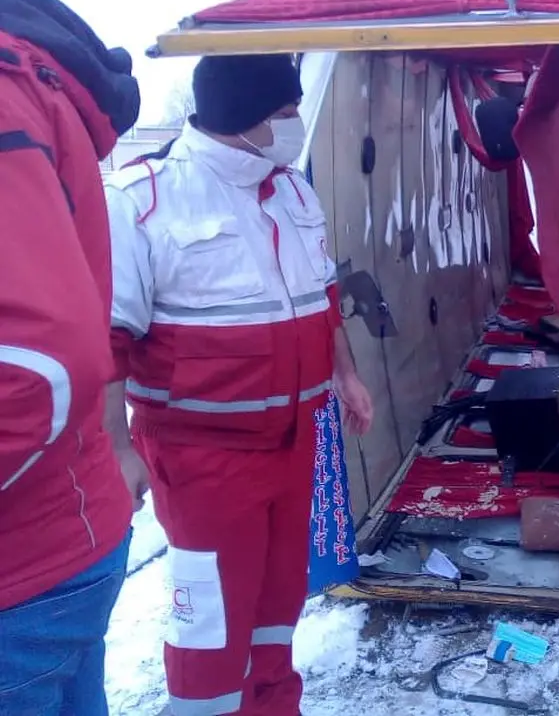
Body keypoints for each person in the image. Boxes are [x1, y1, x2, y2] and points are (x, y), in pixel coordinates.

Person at [103, 54, 374, 716]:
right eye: (284, 114)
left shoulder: (292, 191)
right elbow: (104, 340)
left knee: (277, 607)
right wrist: (117, 448)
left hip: (291, 444)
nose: (294, 125)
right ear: (244, 115)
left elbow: (321, 295)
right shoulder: (144, 199)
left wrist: (346, 373)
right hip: (203, 458)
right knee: (214, 626)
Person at [0, 0, 142, 715]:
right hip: (67, 523)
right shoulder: (154, 193)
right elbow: (103, 332)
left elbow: (40, 362)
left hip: (24, 564)